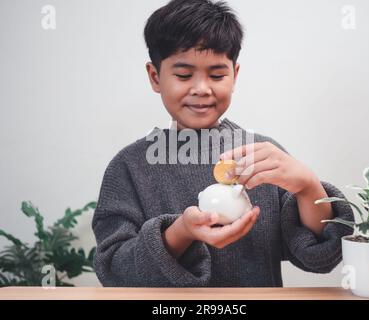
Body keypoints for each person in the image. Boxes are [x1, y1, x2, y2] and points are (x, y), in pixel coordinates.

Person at [92, 0, 354, 287]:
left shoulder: (263, 157)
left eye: (217, 75)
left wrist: (307, 186)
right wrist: (180, 232)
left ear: (234, 75)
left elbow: (320, 255)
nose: (202, 89)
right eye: (183, 75)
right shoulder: (129, 168)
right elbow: (114, 271)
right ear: (155, 77)